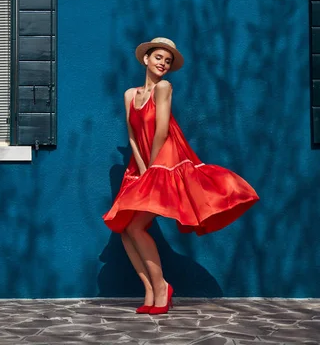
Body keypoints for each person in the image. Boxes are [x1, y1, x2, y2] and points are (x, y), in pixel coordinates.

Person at [102, 37, 259, 315]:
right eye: (159, 57)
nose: (163, 63)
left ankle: (162, 287)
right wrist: (141, 167)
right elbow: (133, 135)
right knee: (124, 229)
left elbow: (161, 131)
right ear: (146, 59)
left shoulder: (164, 88)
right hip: (142, 165)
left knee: (136, 227)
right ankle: (150, 290)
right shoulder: (129, 94)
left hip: (166, 162)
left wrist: (152, 169)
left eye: (168, 60)